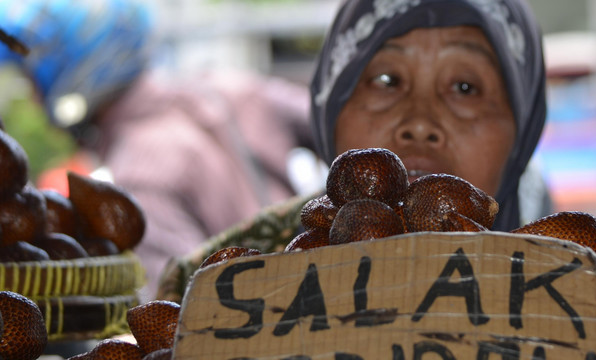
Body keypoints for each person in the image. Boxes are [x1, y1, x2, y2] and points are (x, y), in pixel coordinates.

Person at [156, 0, 551, 302]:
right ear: (331, 107)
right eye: (386, 80)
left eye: (465, 88)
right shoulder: (208, 291)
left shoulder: (583, 296)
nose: (419, 123)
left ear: (523, 130)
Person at [0, 0, 313, 302]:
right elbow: (347, 123)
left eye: (31, 81)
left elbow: (181, 314)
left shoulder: (140, 174)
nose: (32, 99)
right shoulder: (237, 89)